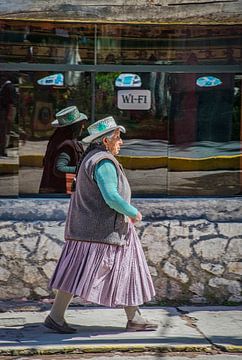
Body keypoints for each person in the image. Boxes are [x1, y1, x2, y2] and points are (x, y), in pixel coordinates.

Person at [44, 116, 158, 334]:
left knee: (87, 272)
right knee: (102, 271)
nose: (121, 142)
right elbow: (111, 197)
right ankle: (57, 316)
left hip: (94, 230)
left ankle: (57, 316)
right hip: (101, 232)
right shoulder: (103, 162)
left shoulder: (93, 158)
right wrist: (133, 212)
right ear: (106, 140)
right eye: (118, 137)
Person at [39, 106, 87, 194]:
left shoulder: (57, 139)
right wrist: (83, 170)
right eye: (80, 124)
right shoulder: (66, 145)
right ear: (74, 127)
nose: (83, 127)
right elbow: (59, 169)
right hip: (59, 195)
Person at [0, 72, 18, 157]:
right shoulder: (6, 86)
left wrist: (9, 115)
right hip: (5, 111)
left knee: (4, 132)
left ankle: (2, 150)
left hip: (6, 112)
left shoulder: (8, 87)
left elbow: (11, 103)